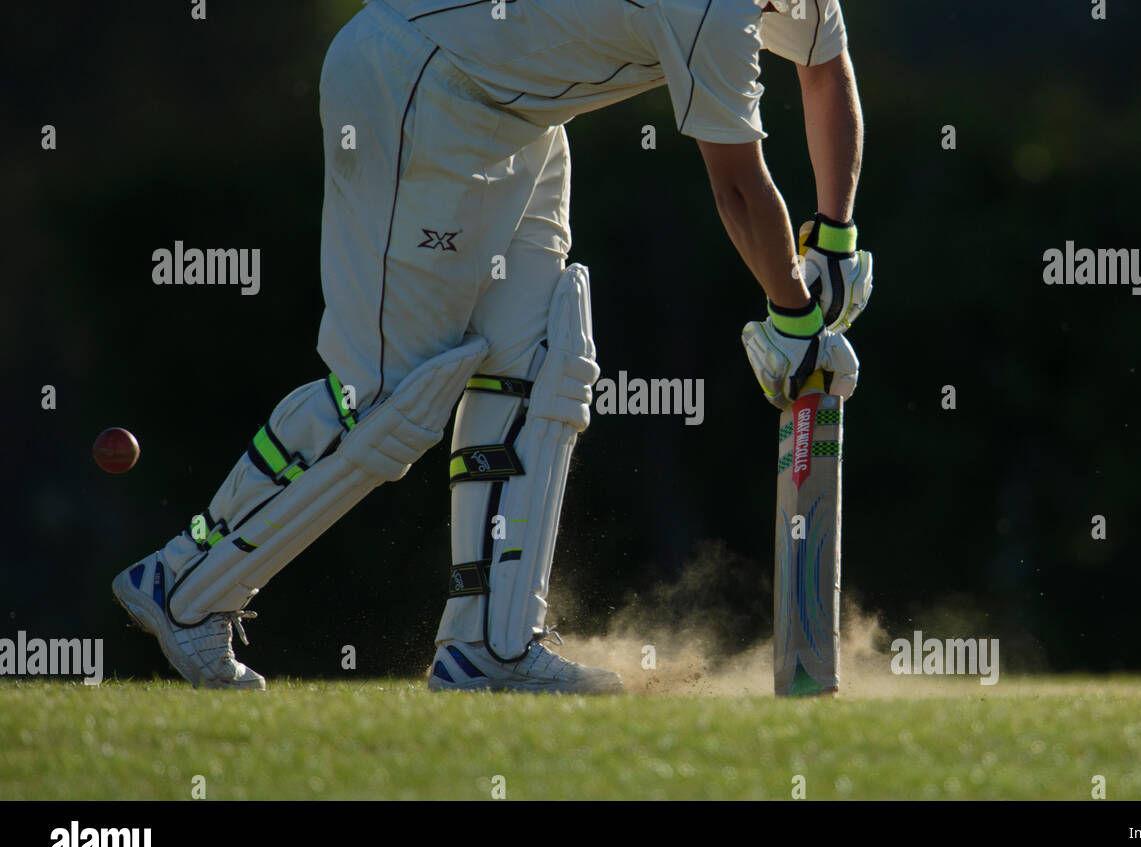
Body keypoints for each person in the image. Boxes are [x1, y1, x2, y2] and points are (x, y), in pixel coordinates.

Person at [111, 0, 872, 693]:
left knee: (541, 360)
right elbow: (737, 186)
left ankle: (490, 644)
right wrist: (793, 321)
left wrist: (834, 236)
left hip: (520, 119)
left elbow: (823, 67)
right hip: (414, 84)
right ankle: (185, 583)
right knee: (387, 398)